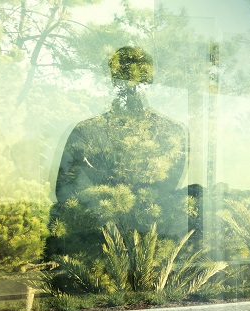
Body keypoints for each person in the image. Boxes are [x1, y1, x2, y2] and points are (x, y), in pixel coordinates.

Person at [48, 46, 189, 258]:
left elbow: (167, 192)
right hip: (96, 249)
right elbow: (65, 191)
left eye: (138, 77)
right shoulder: (86, 131)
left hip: (154, 248)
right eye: (125, 76)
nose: (131, 85)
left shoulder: (172, 132)